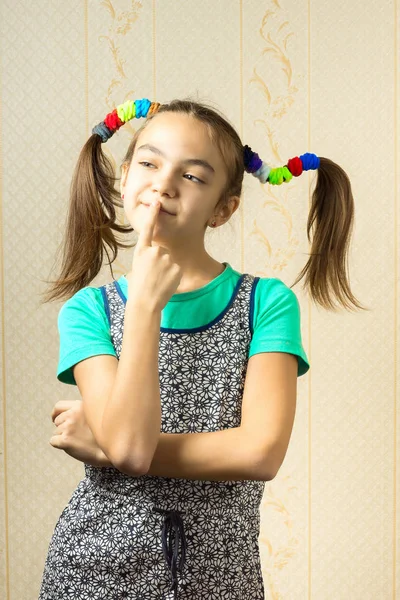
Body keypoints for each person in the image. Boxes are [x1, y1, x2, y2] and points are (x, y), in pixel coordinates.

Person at [38, 98, 366, 599]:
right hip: (93, 573)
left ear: (223, 208)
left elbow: (259, 453)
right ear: (125, 177)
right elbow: (129, 448)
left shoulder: (266, 303)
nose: (163, 183)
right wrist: (145, 304)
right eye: (148, 163)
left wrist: (103, 445)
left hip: (221, 578)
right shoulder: (88, 311)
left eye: (192, 176)